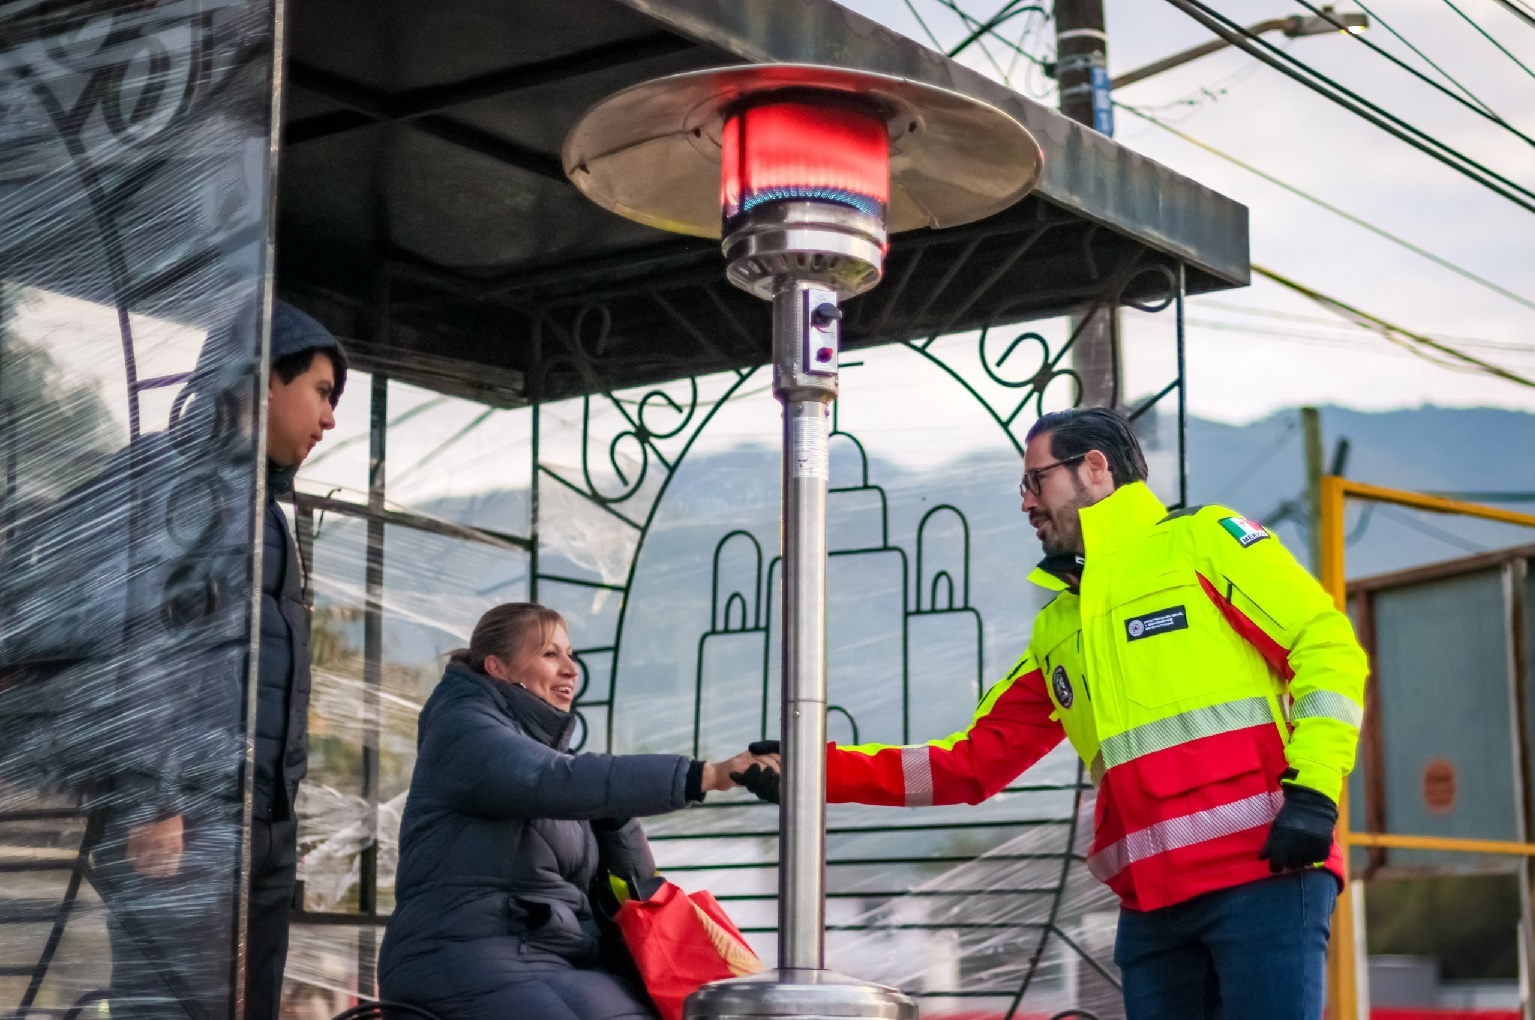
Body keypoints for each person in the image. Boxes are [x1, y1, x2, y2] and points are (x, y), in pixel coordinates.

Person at [736, 407, 1367, 1020]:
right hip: (1153, 911)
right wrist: (815, 772)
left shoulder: (1206, 543)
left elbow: (1328, 650)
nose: (1025, 503)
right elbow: (969, 765)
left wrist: (1314, 791)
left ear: (1094, 469)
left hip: (1263, 875)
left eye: (1035, 481)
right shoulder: (1058, 627)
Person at [114, 300, 347, 1020]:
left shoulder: (267, 512)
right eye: (322, 392)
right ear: (265, 380)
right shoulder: (177, 486)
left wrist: (285, 808)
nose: (331, 419)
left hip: (259, 819)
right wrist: (153, 799)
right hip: (189, 816)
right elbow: (138, 641)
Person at [380, 603, 777, 1020]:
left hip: (554, 958)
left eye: (572, 655)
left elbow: (631, 885)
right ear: (498, 667)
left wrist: (616, 817)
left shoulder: (555, 760)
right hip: (459, 951)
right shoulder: (462, 731)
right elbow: (547, 779)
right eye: (550, 654)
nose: (571, 669)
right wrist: (709, 775)